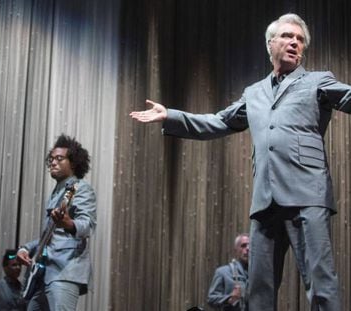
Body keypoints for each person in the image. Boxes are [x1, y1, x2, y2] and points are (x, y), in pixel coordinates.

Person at [130, 13, 351, 311]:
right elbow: (218, 122)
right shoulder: (254, 93)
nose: (294, 43)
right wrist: (171, 115)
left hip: (307, 193)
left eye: (300, 40)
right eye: (287, 36)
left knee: (320, 282)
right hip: (264, 200)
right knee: (259, 289)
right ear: (270, 43)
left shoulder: (317, 81)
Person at [17, 134, 97, 311]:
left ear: (74, 163)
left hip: (65, 271)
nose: (53, 162)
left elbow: (87, 225)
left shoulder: (80, 189)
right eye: (51, 159)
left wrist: (69, 224)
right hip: (44, 272)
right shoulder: (57, 193)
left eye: (59, 159)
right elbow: (49, 237)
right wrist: (25, 248)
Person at [207, 234, 249, 311]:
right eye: (243, 245)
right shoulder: (223, 272)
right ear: (236, 250)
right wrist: (229, 299)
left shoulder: (257, 276)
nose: (248, 248)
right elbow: (211, 299)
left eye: (250, 245)